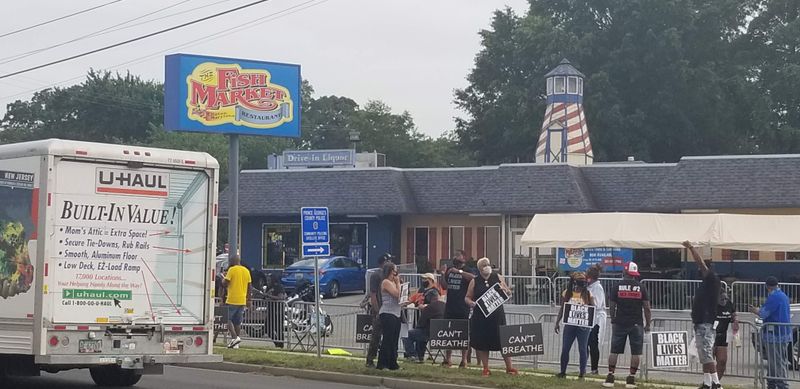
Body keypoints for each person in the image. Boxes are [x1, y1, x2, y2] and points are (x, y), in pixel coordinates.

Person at [465, 257, 517, 377]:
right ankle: (486, 368)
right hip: (481, 316)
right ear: (479, 268)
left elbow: (508, 292)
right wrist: (471, 303)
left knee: (503, 341)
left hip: (497, 315)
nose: (486, 266)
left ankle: (509, 367)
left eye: (488, 264)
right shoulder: (475, 281)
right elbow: (467, 297)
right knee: (483, 342)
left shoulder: (498, 277)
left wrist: (505, 290)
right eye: (484, 265)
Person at [603, 262, 651, 389]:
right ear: (635, 274)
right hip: (636, 323)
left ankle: (610, 376)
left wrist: (613, 319)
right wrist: (648, 324)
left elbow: (612, 305)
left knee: (614, 351)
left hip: (619, 322)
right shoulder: (641, 287)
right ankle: (631, 378)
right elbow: (647, 307)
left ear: (624, 272)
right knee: (636, 352)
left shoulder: (616, 286)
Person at [684, 241, 722, 389]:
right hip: (702, 322)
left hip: (705, 323)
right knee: (703, 354)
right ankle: (707, 383)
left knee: (706, 353)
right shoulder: (710, 282)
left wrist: (691, 248)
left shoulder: (711, 279)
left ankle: (716, 383)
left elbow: (700, 264)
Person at [749, 276, 791, 389]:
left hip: (775, 335)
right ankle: (772, 383)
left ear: (767, 287)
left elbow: (764, 313)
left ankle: (782, 385)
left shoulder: (774, 297)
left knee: (776, 362)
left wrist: (755, 310)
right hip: (783, 333)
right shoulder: (783, 296)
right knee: (775, 361)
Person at [554, 271, 594, 379]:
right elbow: (562, 308)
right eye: (581, 282)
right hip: (570, 325)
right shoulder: (567, 293)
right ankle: (562, 371)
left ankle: (582, 373)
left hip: (583, 327)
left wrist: (591, 324)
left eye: (584, 282)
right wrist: (557, 322)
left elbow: (592, 310)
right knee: (565, 348)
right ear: (575, 282)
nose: (583, 284)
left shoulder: (588, 294)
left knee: (583, 349)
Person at [441, 250, 475, 368]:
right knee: (449, 333)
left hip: (462, 307)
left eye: (458, 256)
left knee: (463, 334)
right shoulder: (450, 269)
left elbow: (473, 278)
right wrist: (443, 273)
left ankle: (464, 360)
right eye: (454, 255)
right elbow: (444, 286)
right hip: (450, 306)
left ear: (463, 258)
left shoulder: (468, 270)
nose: (455, 257)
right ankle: (447, 359)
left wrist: (459, 272)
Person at [403, 288, 445, 363]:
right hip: (442, 334)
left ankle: (413, 355)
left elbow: (421, 323)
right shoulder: (444, 306)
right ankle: (420, 356)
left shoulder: (429, 308)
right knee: (421, 334)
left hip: (428, 333)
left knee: (407, 335)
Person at [377, 261, 405, 370]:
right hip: (388, 313)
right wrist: (398, 283)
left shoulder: (393, 282)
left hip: (396, 313)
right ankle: (382, 363)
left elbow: (400, 297)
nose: (396, 273)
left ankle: (393, 363)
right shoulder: (386, 282)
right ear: (390, 271)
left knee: (394, 340)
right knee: (387, 340)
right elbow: (397, 294)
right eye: (395, 271)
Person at [365, 253, 392, 368]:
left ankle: (387, 360)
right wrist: (377, 311)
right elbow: (373, 294)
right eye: (389, 261)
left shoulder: (388, 276)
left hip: (388, 310)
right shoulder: (376, 276)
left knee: (388, 337)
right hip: (379, 310)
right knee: (376, 337)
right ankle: (370, 360)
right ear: (384, 262)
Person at [222, 255, 251, 349]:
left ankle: (234, 338)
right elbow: (249, 286)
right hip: (242, 300)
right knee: (237, 322)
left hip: (232, 299)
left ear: (232, 261)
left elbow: (225, 283)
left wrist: (223, 279)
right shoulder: (246, 271)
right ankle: (236, 344)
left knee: (227, 319)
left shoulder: (232, 270)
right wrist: (248, 299)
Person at [586, 264, 607, 375]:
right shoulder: (588, 286)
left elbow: (597, 305)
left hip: (597, 319)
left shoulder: (597, 287)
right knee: (585, 343)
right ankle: (583, 366)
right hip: (588, 318)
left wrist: (589, 298)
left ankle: (595, 369)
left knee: (593, 344)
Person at [714, 286, 738, 379]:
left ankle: (716, 383)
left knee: (722, 361)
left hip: (723, 335)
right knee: (709, 363)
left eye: (725, 298)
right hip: (710, 336)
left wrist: (735, 320)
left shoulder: (729, 304)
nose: (724, 301)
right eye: (721, 299)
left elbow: (733, 313)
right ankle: (708, 383)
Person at [263, 273, 287, 348]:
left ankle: (281, 345)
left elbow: (280, 297)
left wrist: (269, 296)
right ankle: (277, 343)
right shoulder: (268, 287)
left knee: (278, 328)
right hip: (270, 310)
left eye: (269, 280)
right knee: (267, 328)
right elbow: (266, 297)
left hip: (278, 311)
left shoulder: (279, 287)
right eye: (267, 280)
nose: (267, 281)